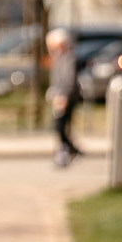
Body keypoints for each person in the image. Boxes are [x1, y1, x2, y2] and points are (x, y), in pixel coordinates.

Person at [47, 28, 82, 166]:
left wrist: (63, 97)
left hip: (65, 98)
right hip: (60, 97)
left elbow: (69, 80)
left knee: (60, 127)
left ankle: (72, 151)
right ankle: (68, 151)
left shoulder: (68, 58)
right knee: (60, 127)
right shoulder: (60, 57)